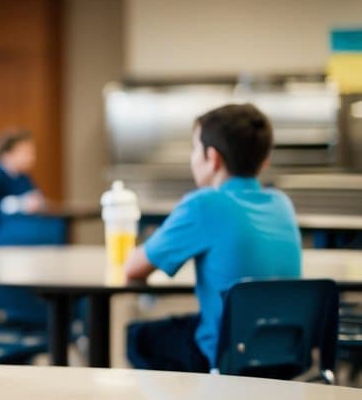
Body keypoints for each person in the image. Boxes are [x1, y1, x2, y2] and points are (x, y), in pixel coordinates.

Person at [122, 103, 302, 372]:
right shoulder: (281, 203)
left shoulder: (204, 204)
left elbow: (133, 269)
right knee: (192, 324)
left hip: (227, 355)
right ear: (264, 159)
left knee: (139, 339)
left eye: (194, 148)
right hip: (285, 354)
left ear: (213, 158)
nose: (192, 158)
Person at [0, 128, 45, 244]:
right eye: (26, 152)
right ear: (7, 153)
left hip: (22, 236)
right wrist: (12, 206)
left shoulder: (24, 177)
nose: (31, 157)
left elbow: (35, 197)